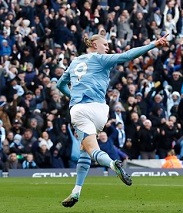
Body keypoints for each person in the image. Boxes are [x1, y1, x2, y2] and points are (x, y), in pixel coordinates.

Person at [57, 33, 169, 207]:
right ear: (94, 44)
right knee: (85, 151)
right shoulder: (101, 59)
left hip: (80, 110)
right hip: (101, 111)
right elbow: (127, 55)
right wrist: (153, 44)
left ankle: (111, 163)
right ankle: (76, 191)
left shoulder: (74, 63)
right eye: (105, 44)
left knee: (93, 150)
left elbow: (59, 85)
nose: (107, 47)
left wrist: (74, 97)